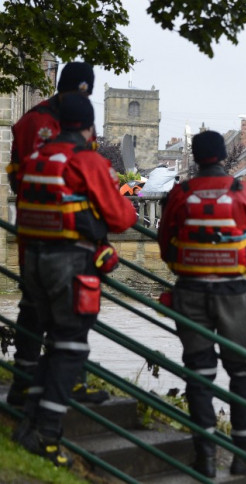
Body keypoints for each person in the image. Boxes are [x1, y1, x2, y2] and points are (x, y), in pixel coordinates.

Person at [12, 93, 137, 467]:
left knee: (51, 341)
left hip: (32, 260)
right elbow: (121, 218)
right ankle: (46, 436)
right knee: (70, 349)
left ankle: (28, 422)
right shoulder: (86, 161)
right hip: (69, 263)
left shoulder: (36, 158)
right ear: (89, 127)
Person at [157, 130, 246, 478]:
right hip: (234, 294)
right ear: (223, 157)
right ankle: (243, 456)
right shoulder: (243, 192)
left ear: (195, 157)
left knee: (200, 374)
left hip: (189, 293)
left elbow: (166, 243)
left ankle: (205, 457)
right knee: (244, 373)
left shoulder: (180, 193)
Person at [6, 61, 109, 407]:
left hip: (65, 235)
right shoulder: (33, 123)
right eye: (76, 92)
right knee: (36, 310)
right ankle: (26, 382)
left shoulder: (77, 122)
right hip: (45, 234)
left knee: (66, 312)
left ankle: (68, 382)